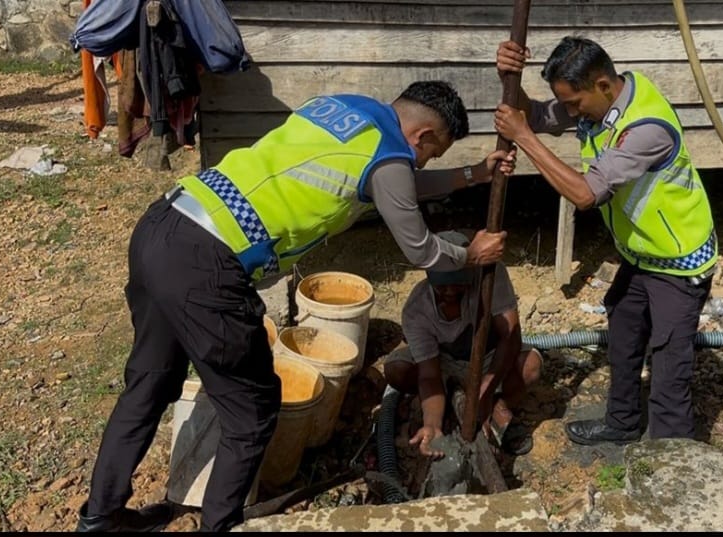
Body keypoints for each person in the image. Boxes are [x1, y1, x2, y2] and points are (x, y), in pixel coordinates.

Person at [76, 81, 517, 532]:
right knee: (252, 408)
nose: (426, 162)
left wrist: (470, 175)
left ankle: (99, 518)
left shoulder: (348, 107)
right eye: (433, 153)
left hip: (166, 224)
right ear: (421, 136)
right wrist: (470, 254)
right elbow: (421, 250)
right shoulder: (389, 159)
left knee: (148, 383)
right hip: (206, 264)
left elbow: (398, 184)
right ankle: (220, 526)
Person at [492, 37, 717, 445]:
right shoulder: (604, 101)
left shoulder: (645, 129)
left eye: (574, 103)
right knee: (625, 337)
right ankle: (623, 422)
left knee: (669, 367)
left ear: (602, 85)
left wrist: (524, 138)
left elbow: (585, 194)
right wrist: (511, 80)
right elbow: (538, 114)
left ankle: (673, 461)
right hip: (641, 255)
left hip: (679, 263)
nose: (570, 111)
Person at [384, 230, 543, 459]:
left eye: (458, 285)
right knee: (396, 369)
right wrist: (432, 424)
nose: (449, 292)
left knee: (530, 366)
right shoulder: (417, 308)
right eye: (442, 286)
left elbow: (511, 337)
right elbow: (429, 375)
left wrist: (486, 389)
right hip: (445, 362)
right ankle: (449, 403)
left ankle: (499, 405)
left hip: (489, 355)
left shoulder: (490, 276)